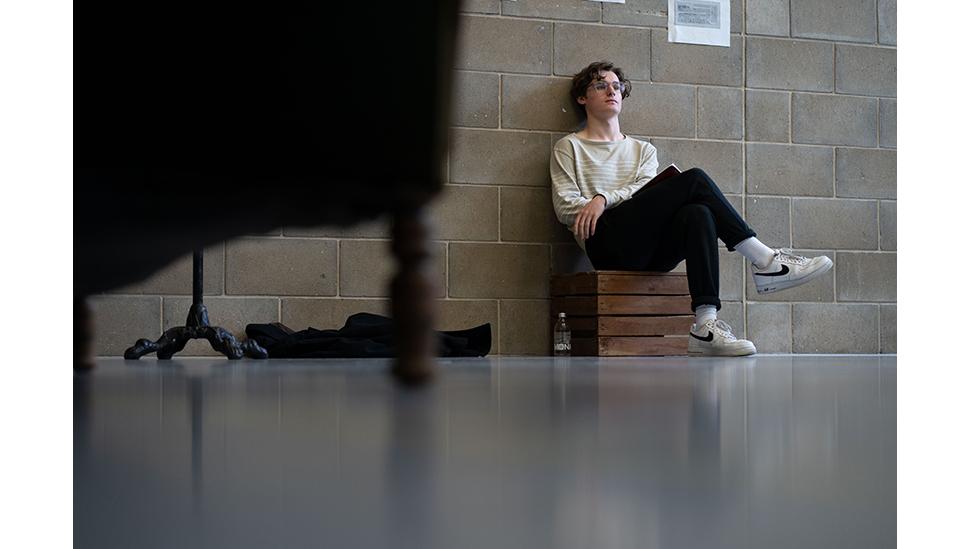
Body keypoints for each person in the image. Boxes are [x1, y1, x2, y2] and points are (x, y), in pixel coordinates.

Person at [550, 61, 832, 356]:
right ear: (582, 98)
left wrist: (602, 199)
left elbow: (642, 191)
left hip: (650, 250)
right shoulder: (569, 147)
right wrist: (600, 204)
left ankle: (705, 326)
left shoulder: (644, 151)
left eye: (616, 86)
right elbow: (565, 208)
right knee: (694, 179)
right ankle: (765, 261)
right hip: (605, 244)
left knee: (698, 213)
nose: (611, 91)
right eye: (600, 85)